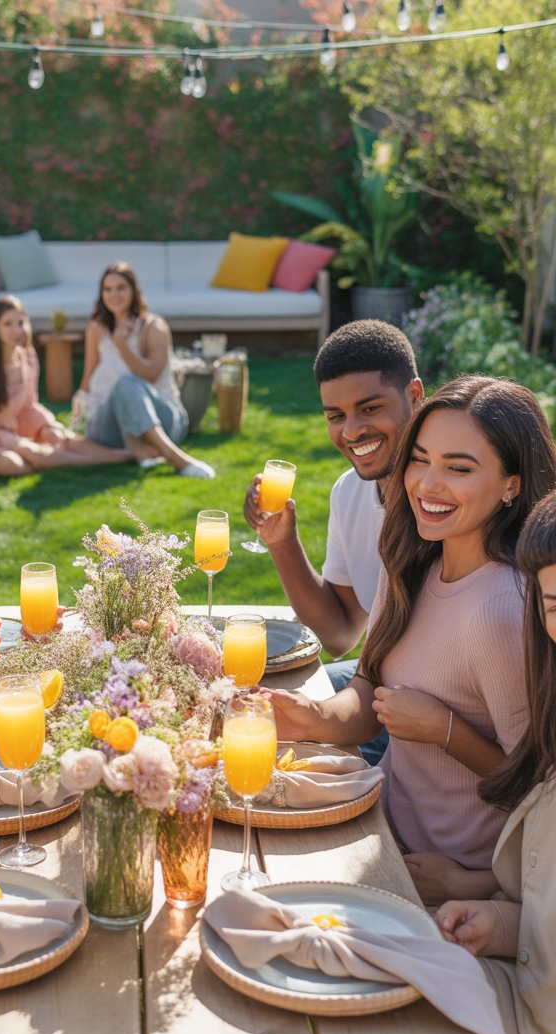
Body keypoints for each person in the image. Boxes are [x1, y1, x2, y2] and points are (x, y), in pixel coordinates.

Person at [261, 489, 556, 1034]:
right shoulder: (426, 573)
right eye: (553, 602)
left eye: (460, 467)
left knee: (384, 978)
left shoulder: (495, 615)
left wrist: (510, 921)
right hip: (507, 918)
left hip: (543, 994)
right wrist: (498, 906)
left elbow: (513, 782)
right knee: (351, 940)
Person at [267, 375, 556, 906]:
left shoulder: (501, 608)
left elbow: (536, 787)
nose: (427, 484)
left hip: (451, 879)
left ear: (512, 484)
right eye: (420, 459)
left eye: (458, 468)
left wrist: (445, 731)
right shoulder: (414, 562)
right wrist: (311, 717)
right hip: (381, 826)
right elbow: (369, 690)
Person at [243, 320, 423, 764]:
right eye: (335, 416)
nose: (351, 431)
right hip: (376, 690)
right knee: (251, 718)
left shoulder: (441, 504)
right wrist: (282, 541)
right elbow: (338, 632)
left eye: (369, 408)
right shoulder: (349, 491)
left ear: (415, 396)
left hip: (426, 719)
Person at [0, 295, 130, 476]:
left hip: (16, 430)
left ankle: (120, 455)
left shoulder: (27, 355)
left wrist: (47, 427)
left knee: (61, 436)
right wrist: (14, 443)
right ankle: (101, 460)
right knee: (15, 464)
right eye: (7, 324)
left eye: (20, 322)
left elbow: (28, 406)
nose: (16, 330)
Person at [78, 262, 215, 478]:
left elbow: (151, 374)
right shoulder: (96, 329)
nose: (114, 294)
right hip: (111, 427)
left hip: (164, 422)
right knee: (119, 389)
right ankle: (139, 450)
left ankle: (174, 457)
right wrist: (79, 404)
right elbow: (89, 373)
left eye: (121, 287)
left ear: (134, 290)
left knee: (125, 384)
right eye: (108, 289)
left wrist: (122, 346)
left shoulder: (154, 327)